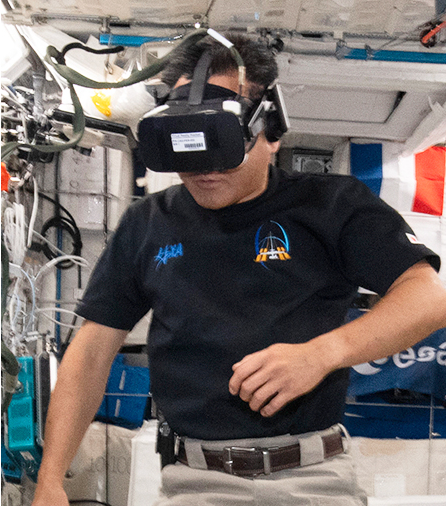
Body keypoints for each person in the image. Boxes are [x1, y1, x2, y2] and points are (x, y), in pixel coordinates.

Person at [31, 33, 446, 506]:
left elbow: (429, 297)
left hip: (313, 480)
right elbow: (91, 351)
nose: (204, 170)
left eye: (222, 145)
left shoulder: (331, 204)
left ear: (271, 133)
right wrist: (50, 479)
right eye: (189, 148)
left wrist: (321, 355)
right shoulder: (149, 223)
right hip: (194, 482)